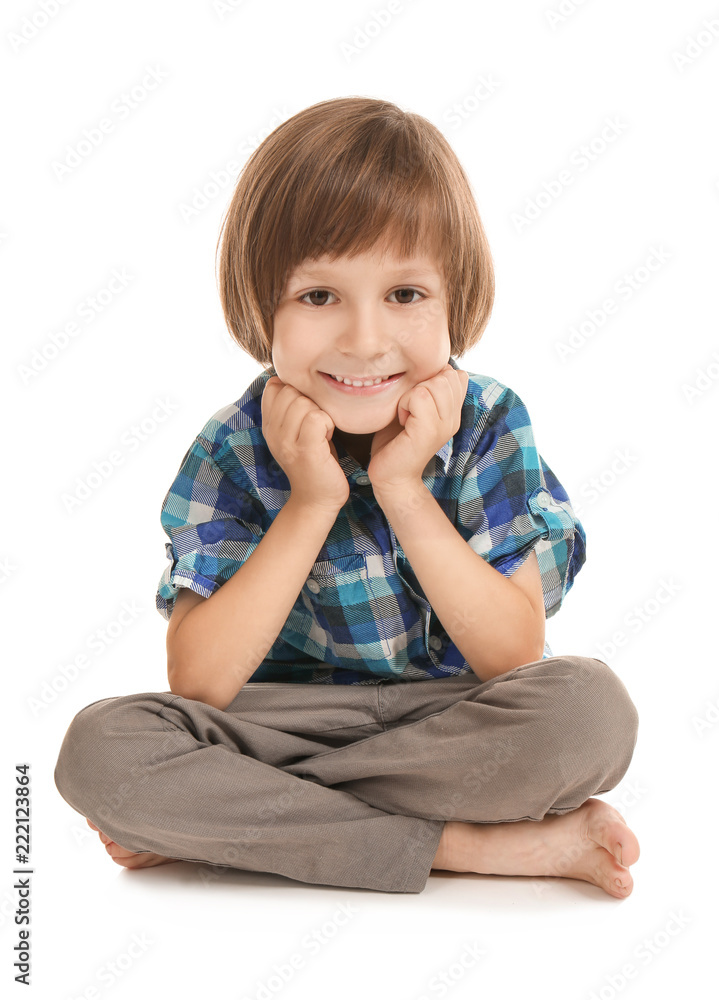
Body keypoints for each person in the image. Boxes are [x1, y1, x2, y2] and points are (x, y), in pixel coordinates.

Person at [54, 96, 640, 897]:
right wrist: (309, 503)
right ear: (262, 308)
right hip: (272, 723)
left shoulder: (488, 423)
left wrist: (402, 487)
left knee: (590, 714)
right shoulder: (232, 447)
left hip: (452, 720)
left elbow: (510, 656)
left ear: (453, 300)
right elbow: (200, 684)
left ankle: (248, 827)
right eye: (319, 296)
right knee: (101, 751)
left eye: (404, 295)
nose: (364, 340)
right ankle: (465, 847)